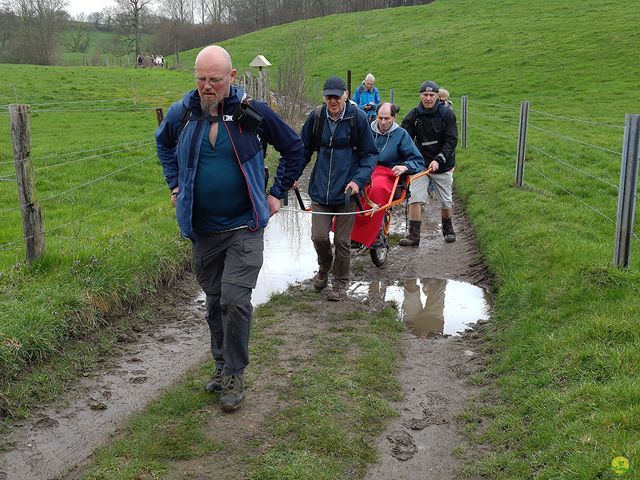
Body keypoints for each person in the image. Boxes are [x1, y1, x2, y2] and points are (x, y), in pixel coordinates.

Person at [155, 45, 304, 412]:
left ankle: (235, 373)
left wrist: (276, 194)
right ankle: (221, 366)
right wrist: (175, 185)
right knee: (215, 302)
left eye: (215, 80)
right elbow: (162, 144)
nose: (207, 87)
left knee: (236, 301)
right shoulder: (184, 113)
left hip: (245, 226)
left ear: (232, 77)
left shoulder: (250, 114)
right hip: (203, 229)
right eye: (201, 79)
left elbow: (295, 148)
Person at [298, 76, 378, 301]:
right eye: (328, 97)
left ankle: (340, 283)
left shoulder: (358, 119)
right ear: (324, 97)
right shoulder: (316, 118)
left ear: (345, 95)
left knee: (342, 241)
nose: (332, 101)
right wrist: (292, 176)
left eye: (336, 96)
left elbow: (370, 155)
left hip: (347, 192)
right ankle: (325, 267)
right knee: (319, 236)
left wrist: (358, 182)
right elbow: (303, 151)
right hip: (320, 190)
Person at [350, 102, 424, 248]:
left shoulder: (401, 134)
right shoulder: (367, 130)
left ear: (394, 117)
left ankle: (375, 234)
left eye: (387, 119)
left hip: (388, 173)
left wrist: (405, 167)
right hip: (367, 169)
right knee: (352, 189)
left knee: (377, 189)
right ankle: (350, 234)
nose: (383, 122)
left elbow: (417, 160)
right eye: (380, 118)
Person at [400, 80, 458, 245]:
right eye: (425, 95)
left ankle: (448, 230)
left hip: (443, 164)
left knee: (446, 200)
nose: (428, 98)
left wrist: (439, 159)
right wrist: (405, 161)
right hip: (420, 164)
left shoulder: (447, 114)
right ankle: (414, 236)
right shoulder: (414, 115)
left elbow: (451, 140)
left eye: (431, 95)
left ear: (437, 96)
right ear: (420, 96)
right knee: (415, 198)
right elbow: (404, 138)